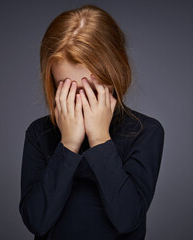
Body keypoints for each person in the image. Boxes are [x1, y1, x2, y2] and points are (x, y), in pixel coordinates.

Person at [19, 4, 165, 240]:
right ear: (54, 84)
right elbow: (37, 221)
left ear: (114, 74)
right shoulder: (40, 134)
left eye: (90, 89)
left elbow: (128, 218)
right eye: (67, 88)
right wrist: (68, 144)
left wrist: (99, 139)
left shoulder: (145, 132)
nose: (80, 101)